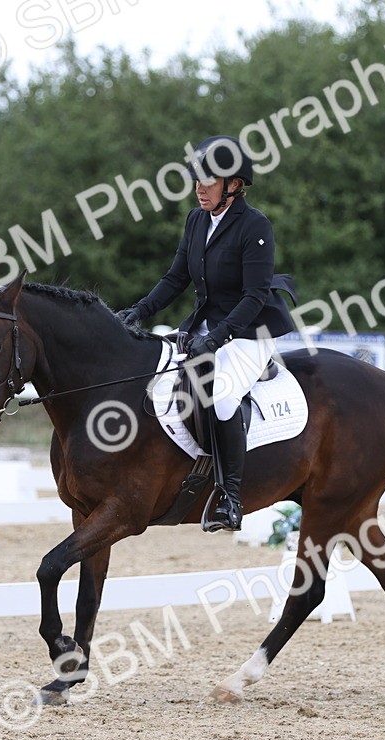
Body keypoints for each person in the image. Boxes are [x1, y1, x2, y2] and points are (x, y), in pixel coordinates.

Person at [118, 135, 295, 532]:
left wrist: (216, 339)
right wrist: (138, 312)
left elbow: (254, 296)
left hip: (250, 329)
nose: (199, 188)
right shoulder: (196, 220)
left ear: (234, 184)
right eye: (196, 180)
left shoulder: (255, 225)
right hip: (206, 323)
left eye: (209, 180)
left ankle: (230, 496)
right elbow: (175, 278)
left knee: (223, 394)